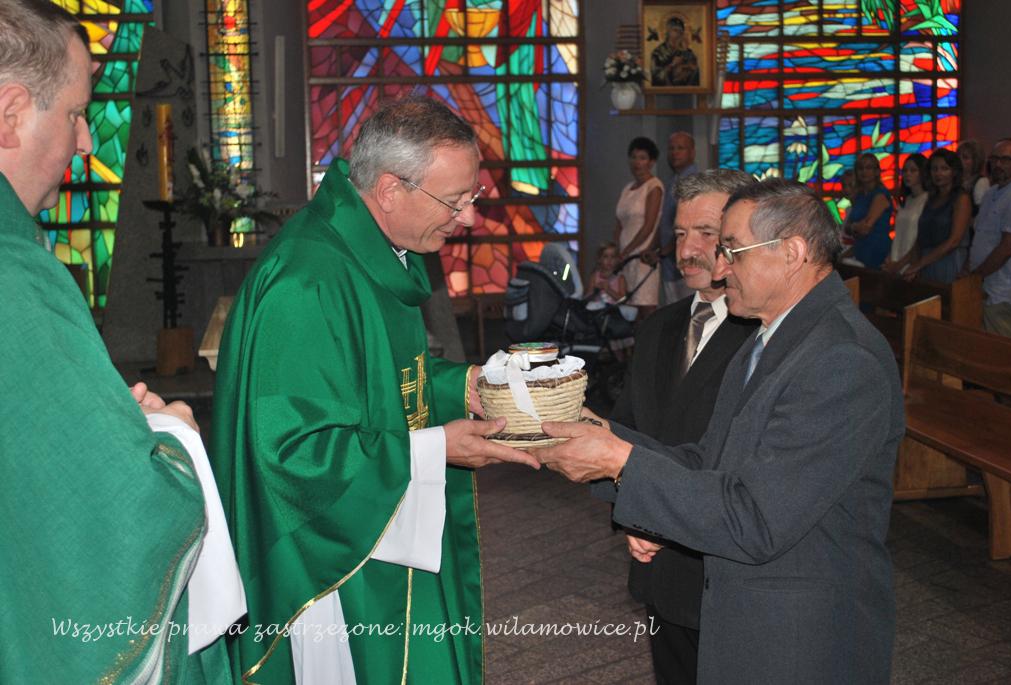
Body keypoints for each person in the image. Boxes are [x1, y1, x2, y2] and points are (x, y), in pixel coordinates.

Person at [211, 96, 539, 685]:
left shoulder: (369, 252)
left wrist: (462, 386)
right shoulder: (306, 282)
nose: (468, 218)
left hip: (379, 532)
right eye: (455, 200)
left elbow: (378, 381)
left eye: (473, 196)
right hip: (331, 565)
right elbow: (291, 453)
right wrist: (437, 449)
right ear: (390, 190)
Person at [535, 179, 904, 684]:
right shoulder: (772, 338)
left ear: (792, 253)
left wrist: (621, 463)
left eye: (733, 250)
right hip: (751, 618)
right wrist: (607, 436)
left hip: (800, 640)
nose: (720, 267)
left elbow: (756, 519)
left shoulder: (840, 360)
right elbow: (710, 462)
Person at [0, 1, 243, 681]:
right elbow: (120, 508)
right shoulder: (14, 278)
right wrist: (170, 438)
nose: (84, 142)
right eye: (76, 114)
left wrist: (99, 420)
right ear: (11, 112)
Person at [610, 169, 758, 684]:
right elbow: (627, 428)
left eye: (706, 233)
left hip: (727, 573)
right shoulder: (659, 326)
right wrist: (630, 508)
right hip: (657, 567)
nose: (688, 250)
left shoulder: (763, 334)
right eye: (679, 234)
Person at [966, 138, 1011, 337]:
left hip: (1003, 289)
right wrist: (969, 269)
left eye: (1005, 159)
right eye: (994, 159)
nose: (998, 164)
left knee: (998, 349)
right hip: (983, 285)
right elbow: (980, 237)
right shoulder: (991, 193)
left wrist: (977, 276)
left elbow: (1007, 247)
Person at [898, 148, 971, 283]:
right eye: (934, 169)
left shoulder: (961, 198)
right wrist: (914, 264)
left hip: (949, 260)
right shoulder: (931, 198)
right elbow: (920, 238)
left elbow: (954, 241)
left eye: (944, 169)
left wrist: (920, 264)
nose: (938, 173)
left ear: (954, 172)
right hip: (926, 261)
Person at [645, 131, 698, 307]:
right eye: (671, 148)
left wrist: (665, 250)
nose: (675, 153)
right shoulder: (673, 180)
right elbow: (664, 220)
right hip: (669, 263)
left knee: (689, 311)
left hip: (686, 260)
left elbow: (690, 223)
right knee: (673, 311)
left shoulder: (694, 181)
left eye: (680, 148)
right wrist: (654, 248)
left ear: (692, 152)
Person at [614, 136, 663, 319]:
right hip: (624, 255)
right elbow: (619, 223)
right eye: (634, 157)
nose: (637, 162)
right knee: (627, 308)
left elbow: (649, 225)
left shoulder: (654, 187)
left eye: (642, 158)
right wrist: (617, 251)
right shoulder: (627, 188)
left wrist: (627, 251)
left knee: (645, 308)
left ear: (651, 162)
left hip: (642, 254)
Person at [846, 152, 893, 268]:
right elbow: (847, 227)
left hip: (876, 249)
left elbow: (865, 228)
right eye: (860, 168)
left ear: (876, 171)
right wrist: (855, 227)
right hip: (859, 249)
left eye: (868, 168)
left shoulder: (880, 195)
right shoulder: (859, 196)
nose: (864, 171)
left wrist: (853, 227)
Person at [884, 153, 929, 267]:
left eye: (913, 171)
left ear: (923, 173)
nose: (908, 174)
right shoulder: (906, 200)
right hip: (897, 256)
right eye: (905, 171)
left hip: (913, 260)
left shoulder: (927, 200)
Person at [650, 16, 699, 87]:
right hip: (664, 91)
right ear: (668, 31)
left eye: (681, 32)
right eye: (675, 30)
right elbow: (656, 77)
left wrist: (688, 66)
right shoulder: (658, 53)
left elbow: (695, 72)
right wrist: (672, 65)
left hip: (686, 91)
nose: (678, 34)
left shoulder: (688, 53)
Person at [958, 139, 991, 216]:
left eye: (965, 157)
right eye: (958, 156)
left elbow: (983, 212)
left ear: (976, 161)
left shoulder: (981, 182)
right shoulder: (956, 180)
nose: (960, 160)